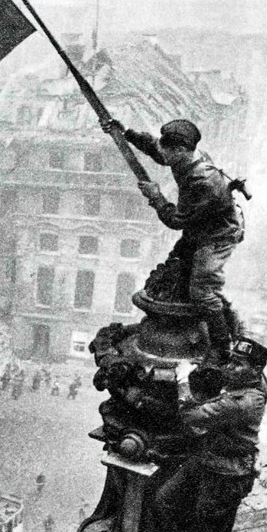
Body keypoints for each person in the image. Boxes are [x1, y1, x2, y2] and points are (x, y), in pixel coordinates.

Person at [103, 117, 244, 360]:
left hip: (218, 235)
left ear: (180, 150)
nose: (163, 156)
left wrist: (156, 197)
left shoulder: (202, 181)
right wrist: (125, 133)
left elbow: (176, 220)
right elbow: (156, 149)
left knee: (202, 291)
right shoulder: (186, 155)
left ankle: (223, 344)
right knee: (175, 268)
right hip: (200, 226)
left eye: (168, 152)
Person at [154, 336, 267, 532]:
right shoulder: (251, 382)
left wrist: (182, 379)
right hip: (209, 458)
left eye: (239, 364)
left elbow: (191, 415)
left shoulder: (243, 401)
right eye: (231, 360)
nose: (230, 367)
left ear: (255, 370)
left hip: (226, 473)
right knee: (166, 499)